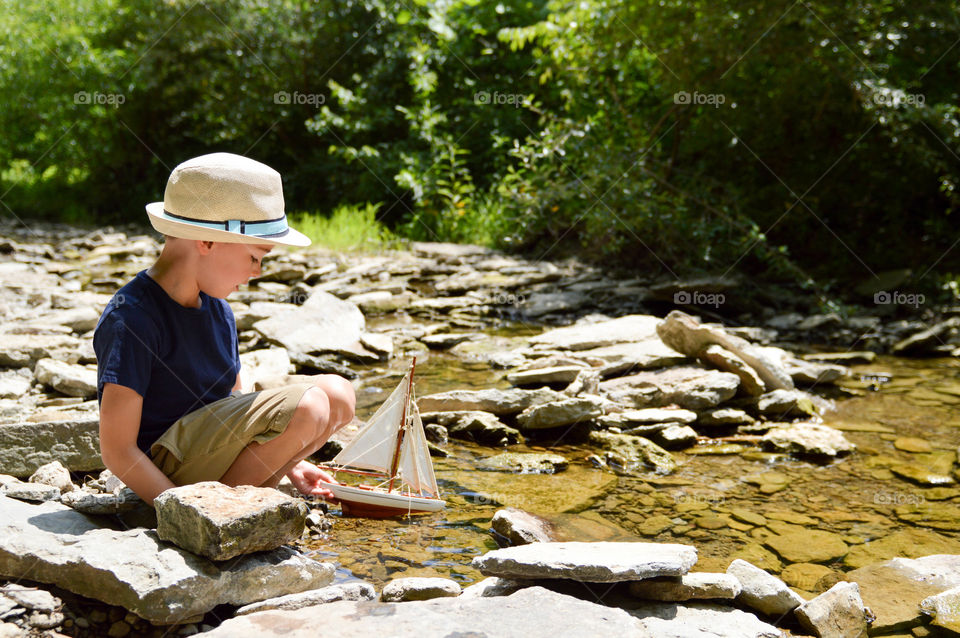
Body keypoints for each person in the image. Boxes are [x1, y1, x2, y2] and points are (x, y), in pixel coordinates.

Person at [94, 152, 355, 506]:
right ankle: (218, 512)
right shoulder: (132, 318)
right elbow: (118, 450)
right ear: (207, 241)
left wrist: (293, 464)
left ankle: (240, 503)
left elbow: (234, 404)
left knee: (338, 394)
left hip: (210, 455)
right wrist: (178, 511)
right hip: (164, 478)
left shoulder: (219, 311)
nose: (258, 272)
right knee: (310, 405)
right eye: (254, 257)